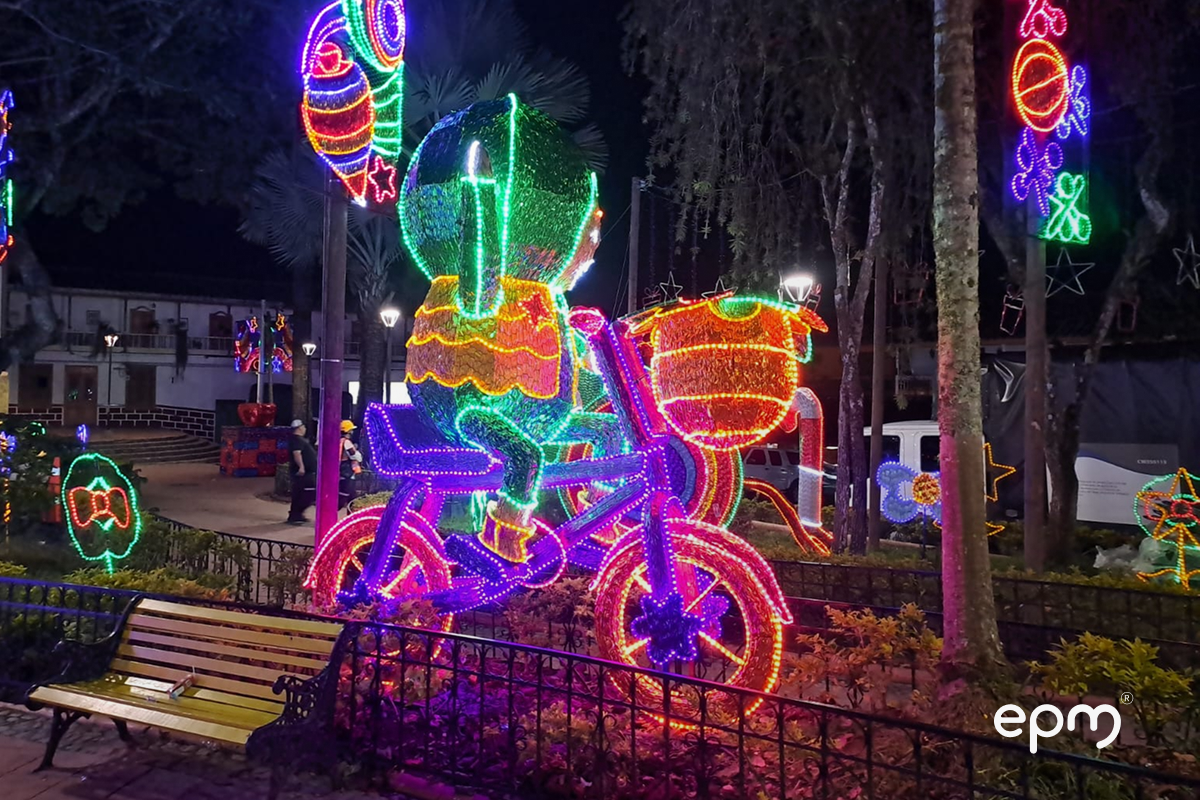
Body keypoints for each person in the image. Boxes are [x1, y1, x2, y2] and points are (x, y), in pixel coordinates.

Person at [287, 419, 318, 524]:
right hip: (304, 473)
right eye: (303, 427)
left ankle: (296, 515)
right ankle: (296, 514)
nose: (305, 429)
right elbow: (297, 453)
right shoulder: (297, 440)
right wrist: (301, 467)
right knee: (306, 493)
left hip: (307, 472)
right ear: (299, 428)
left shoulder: (299, 440)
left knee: (301, 493)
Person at [338, 420, 364, 509]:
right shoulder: (347, 442)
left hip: (342, 471)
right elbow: (355, 456)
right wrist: (358, 453)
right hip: (347, 472)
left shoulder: (339, 441)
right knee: (344, 496)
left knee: (352, 497)